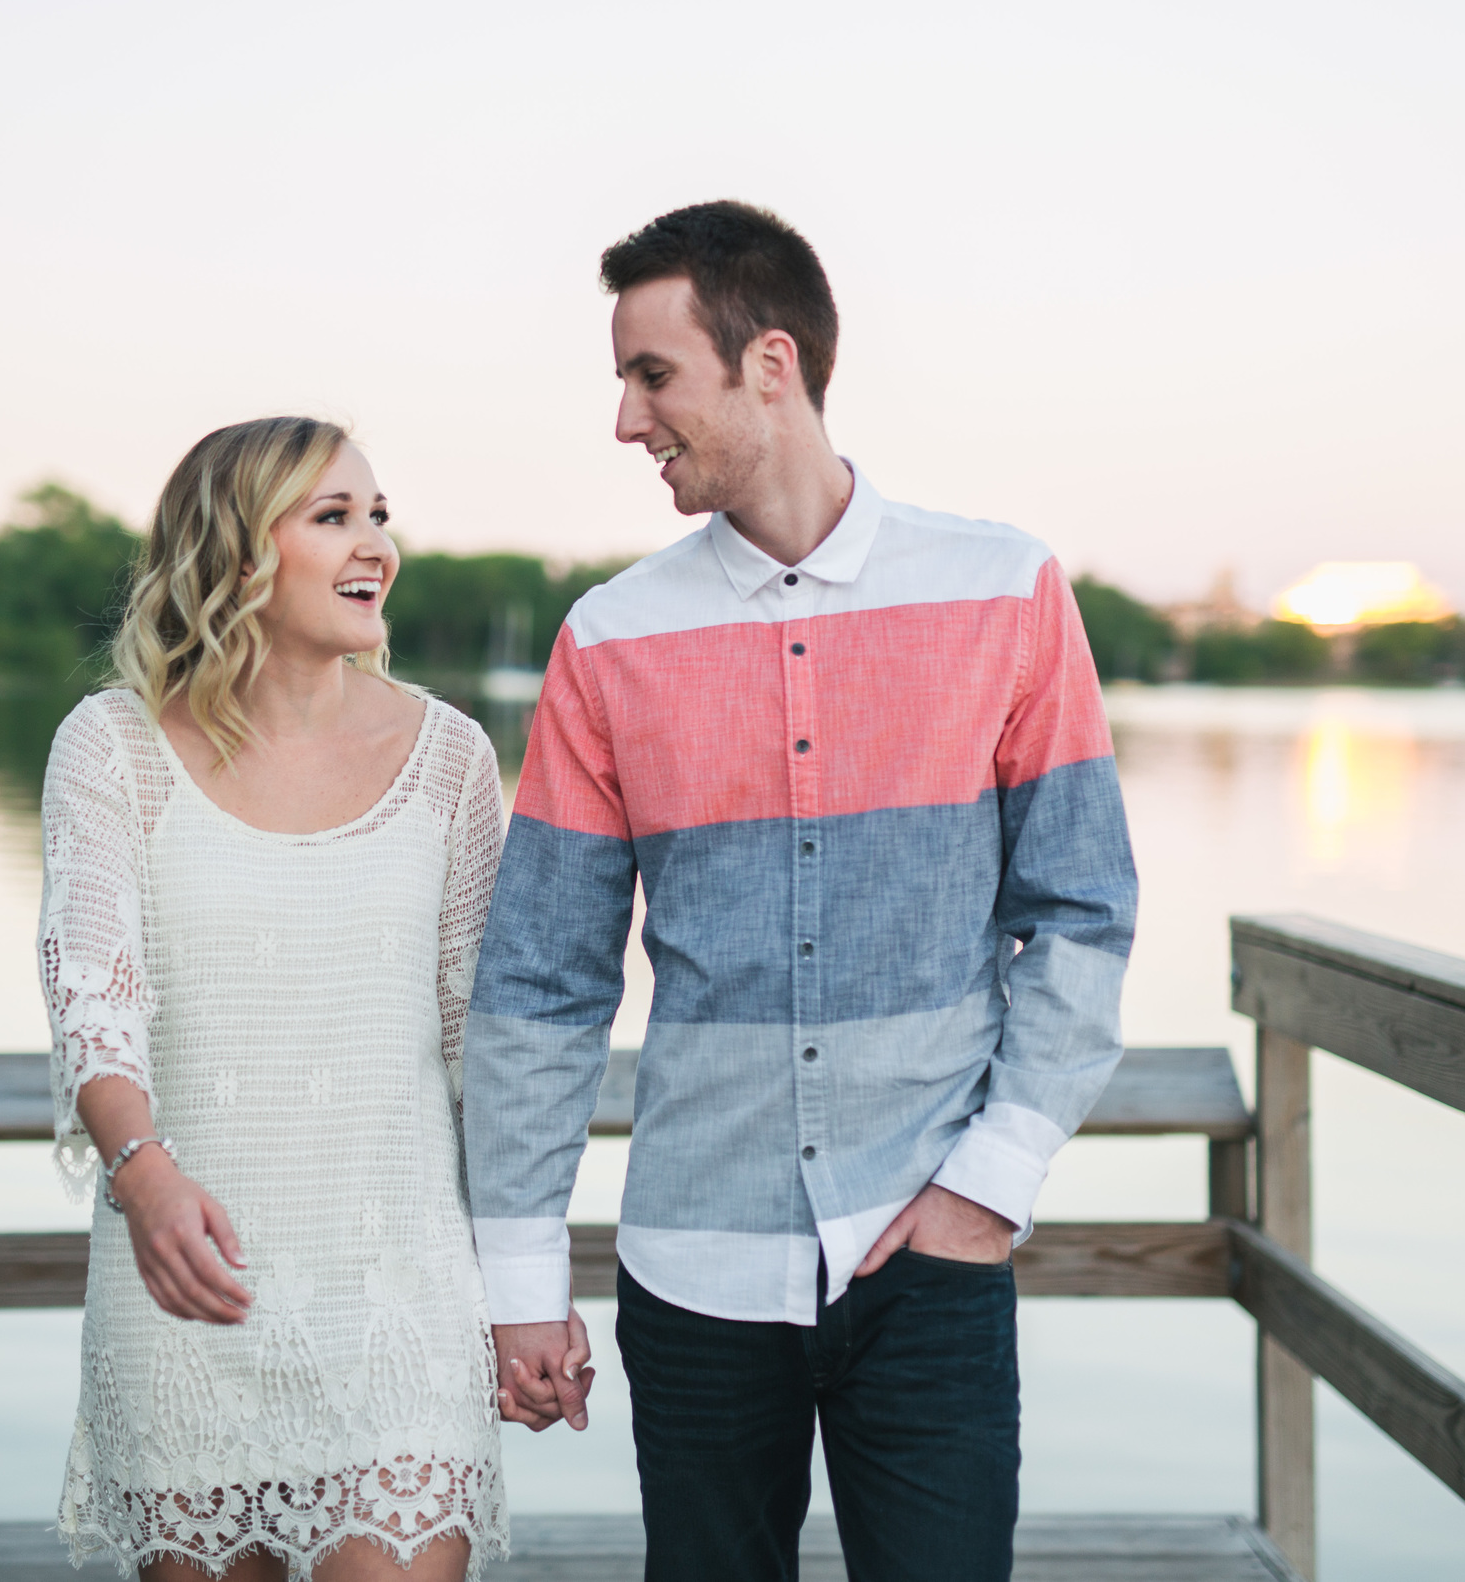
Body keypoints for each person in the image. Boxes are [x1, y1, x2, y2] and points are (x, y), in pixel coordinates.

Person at [463, 203, 1137, 1582]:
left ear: (770, 361)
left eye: (652, 375)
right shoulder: (609, 638)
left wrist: (988, 1188)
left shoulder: (1005, 591)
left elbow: (1080, 911)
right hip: (693, 1268)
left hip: (933, 1252)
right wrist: (524, 1278)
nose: (625, 419)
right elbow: (542, 978)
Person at [39, 416, 525, 1581]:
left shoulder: (451, 758)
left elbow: (485, 1049)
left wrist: (524, 1292)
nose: (375, 544)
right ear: (237, 552)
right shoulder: (109, 747)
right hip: (189, 1294)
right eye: (332, 516)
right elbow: (94, 991)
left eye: (378, 515)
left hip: (397, 1302)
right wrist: (143, 1174)